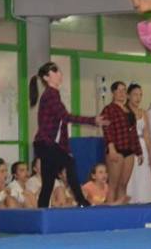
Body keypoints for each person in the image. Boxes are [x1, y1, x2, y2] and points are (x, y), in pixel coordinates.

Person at [29, 61, 102, 208]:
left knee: (48, 182)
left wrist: (66, 149)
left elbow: (61, 127)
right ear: (46, 77)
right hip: (45, 143)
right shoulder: (50, 94)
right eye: (54, 71)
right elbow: (66, 117)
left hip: (46, 144)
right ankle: (82, 201)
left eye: (59, 70)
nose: (59, 73)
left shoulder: (53, 94)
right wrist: (92, 120)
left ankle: (41, 211)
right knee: (69, 163)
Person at [101, 81, 142, 203]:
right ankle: (109, 213)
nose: (122, 93)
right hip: (116, 149)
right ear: (113, 93)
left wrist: (139, 151)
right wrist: (111, 149)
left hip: (129, 150)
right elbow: (107, 130)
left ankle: (120, 212)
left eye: (124, 90)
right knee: (113, 184)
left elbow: (133, 133)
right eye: (119, 90)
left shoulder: (129, 111)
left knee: (123, 184)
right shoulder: (108, 109)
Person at [126, 83, 151, 204]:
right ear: (128, 96)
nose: (138, 98)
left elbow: (147, 134)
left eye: (140, 95)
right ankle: (129, 200)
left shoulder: (144, 112)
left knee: (143, 175)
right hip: (129, 146)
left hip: (142, 146)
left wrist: (150, 153)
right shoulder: (124, 111)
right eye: (135, 94)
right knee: (131, 175)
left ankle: (144, 200)